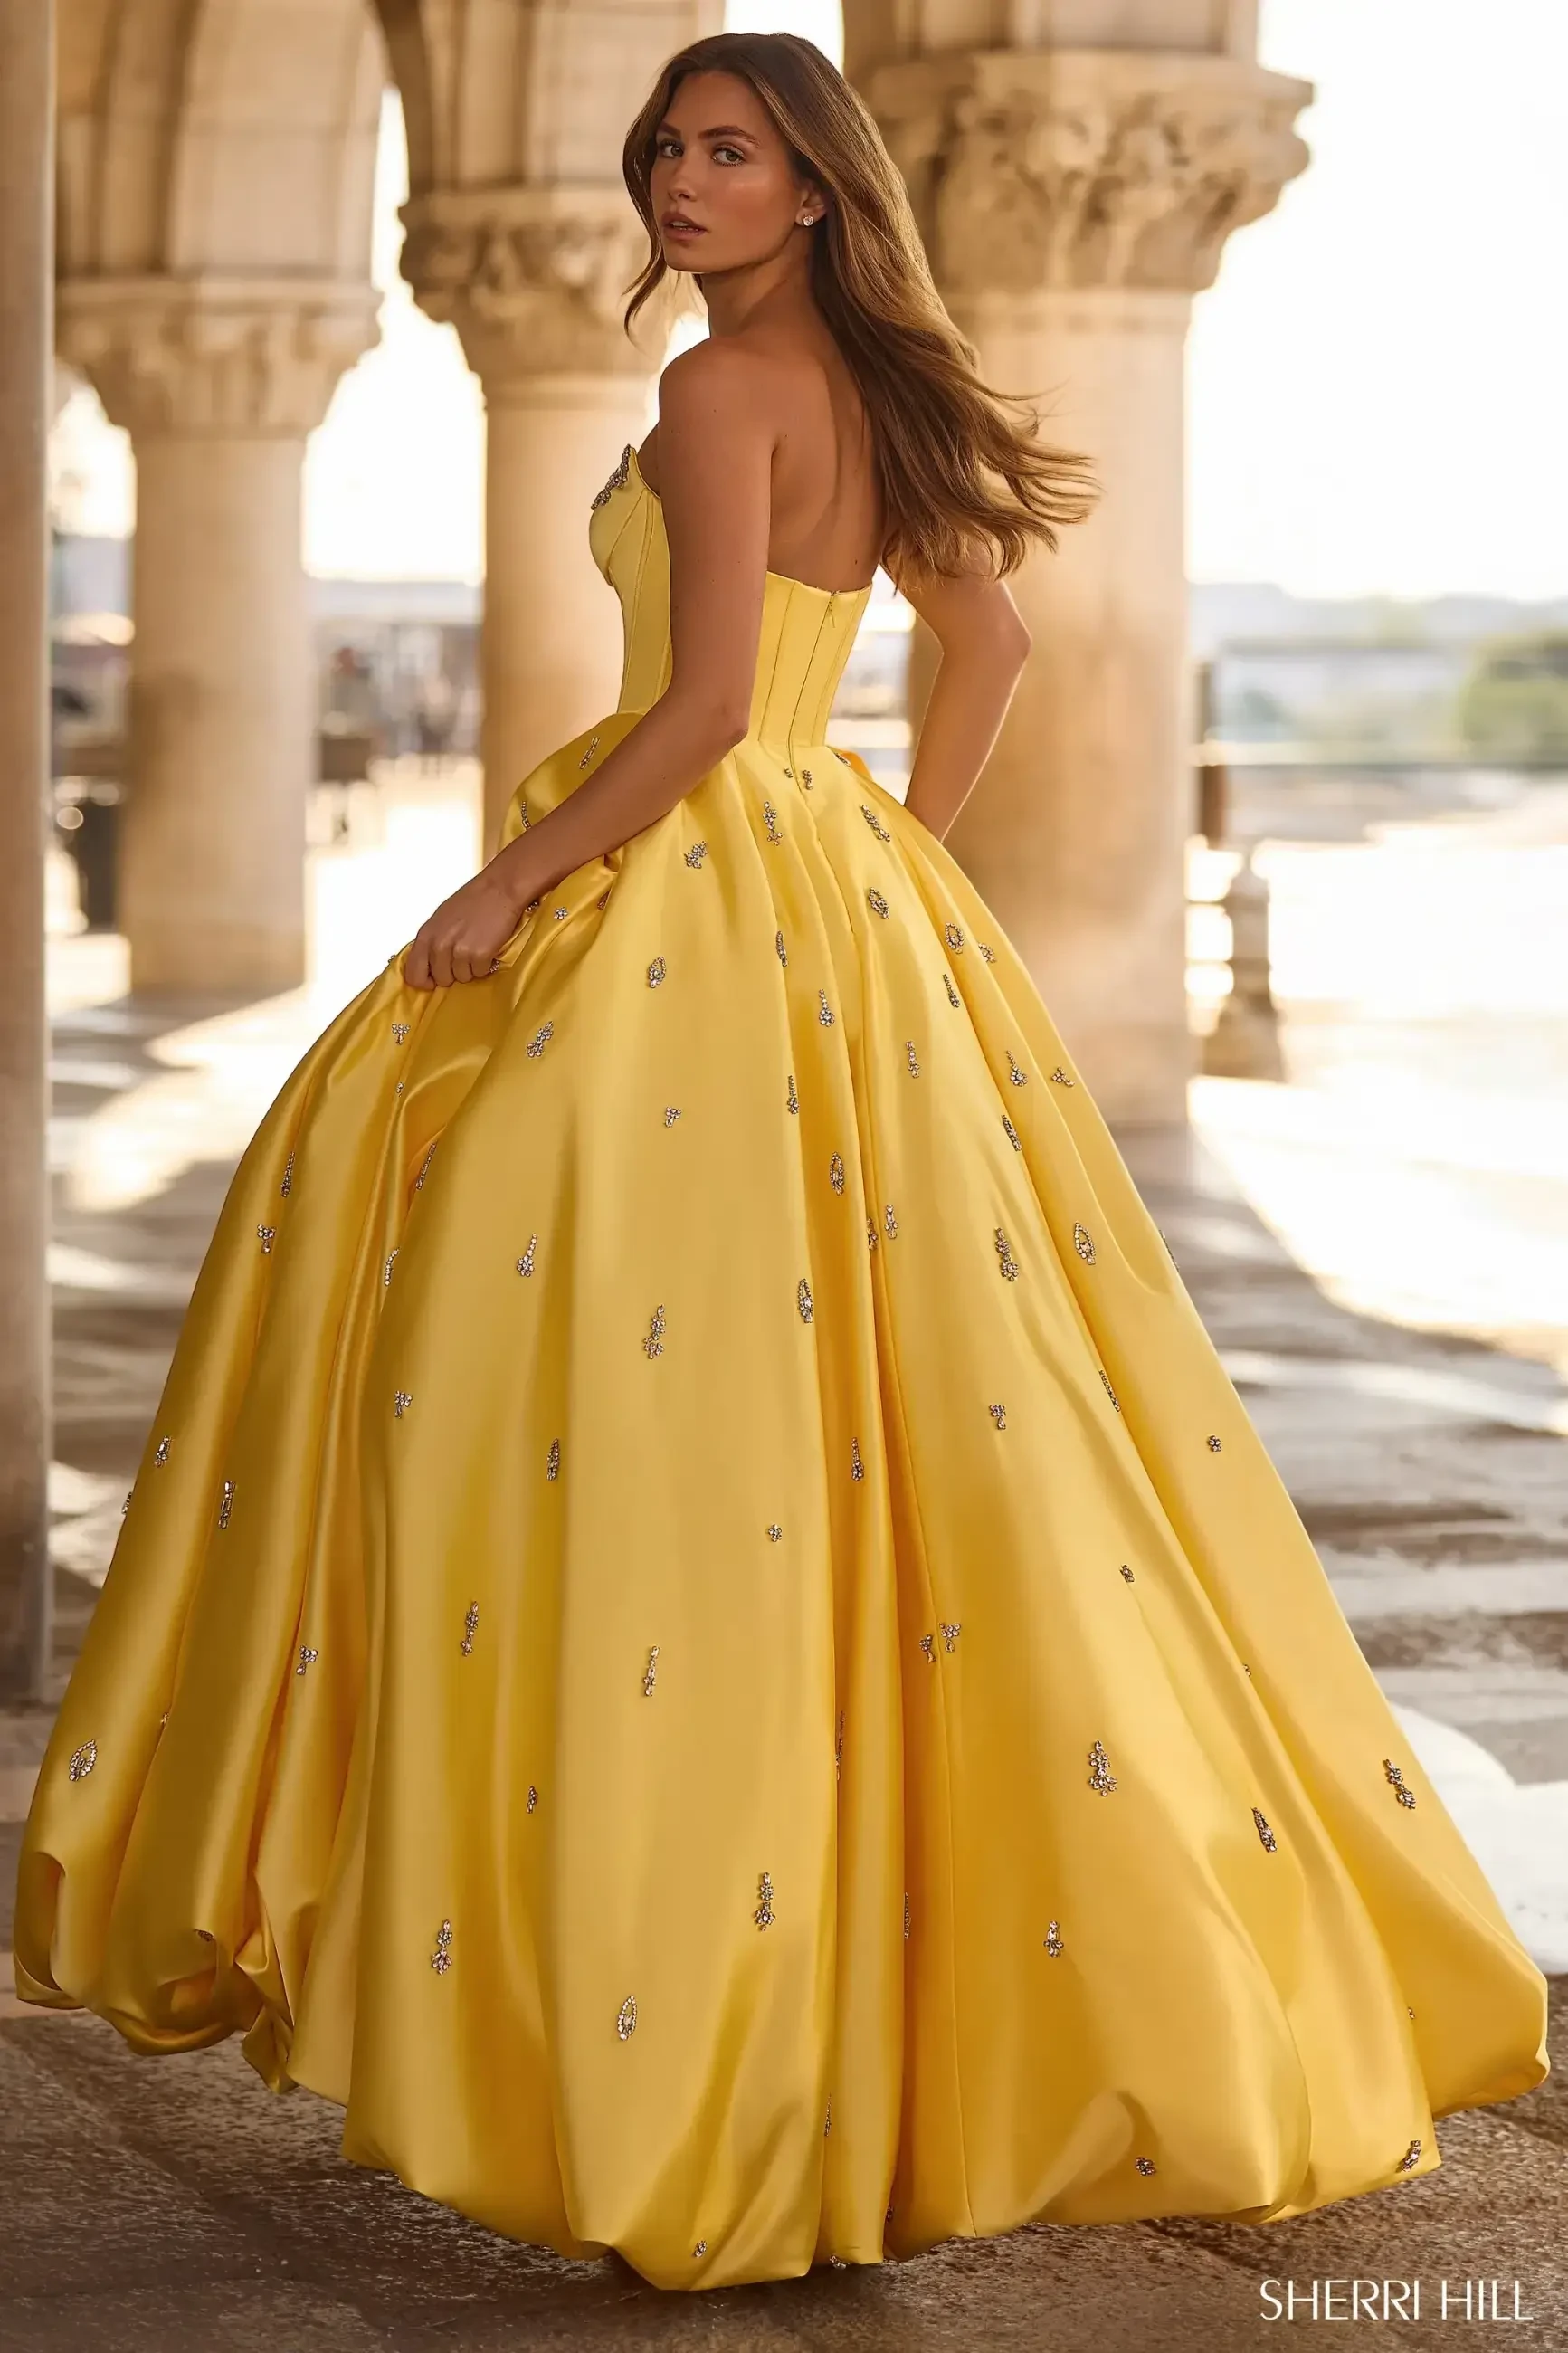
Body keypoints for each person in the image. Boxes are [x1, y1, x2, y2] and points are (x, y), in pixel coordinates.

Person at [14, 30, 1546, 2294]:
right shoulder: (851, 381)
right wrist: (890, 851)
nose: (676, 181)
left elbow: (711, 702)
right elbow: (984, 637)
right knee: (882, 1418)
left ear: (818, 184)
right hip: (826, 904)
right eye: (663, 148)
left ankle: (613, 1964)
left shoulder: (732, 394)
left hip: (693, 890)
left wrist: (510, 878)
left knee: (537, 1346)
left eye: (724, 151)